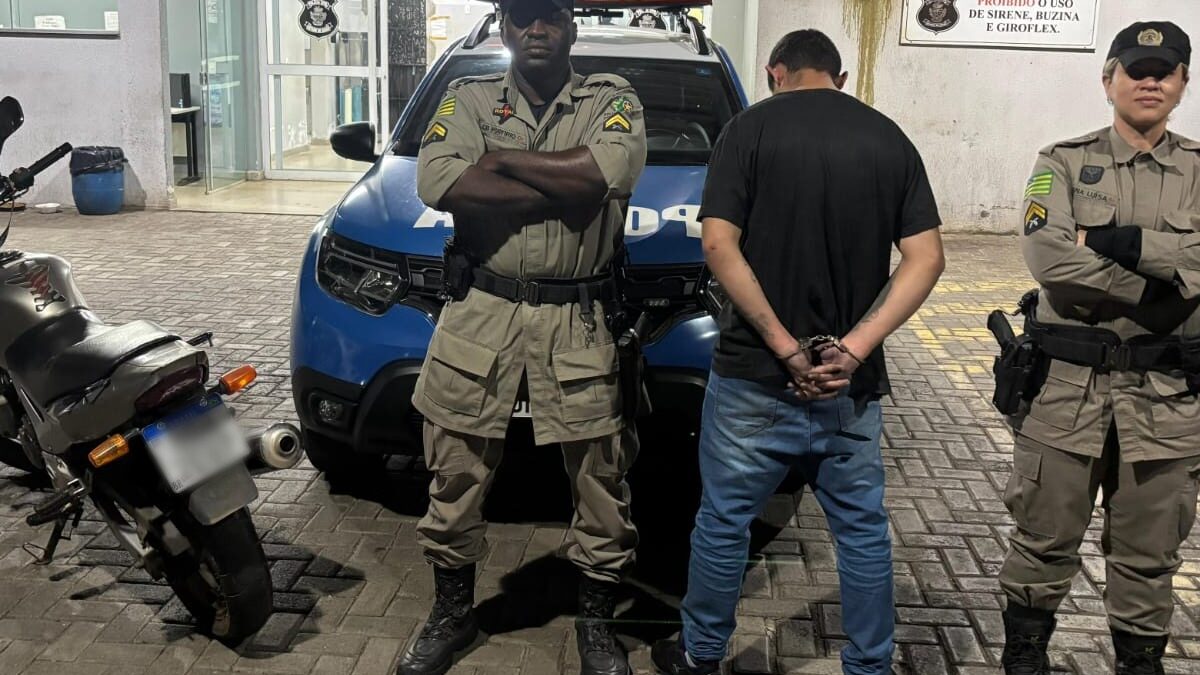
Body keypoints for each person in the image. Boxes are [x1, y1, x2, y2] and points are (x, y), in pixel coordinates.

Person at [651, 29, 945, 675]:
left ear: (774, 72)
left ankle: (701, 655)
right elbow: (926, 258)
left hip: (755, 376)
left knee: (724, 523)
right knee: (862, 532)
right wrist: (854, 349)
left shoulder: (746, 132)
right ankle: (869, 665)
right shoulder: (888, 138)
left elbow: (718, 246)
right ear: (839, 77)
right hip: (847, 386)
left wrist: (786, 348)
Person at [396, 0, 647, 674]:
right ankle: (452, 615)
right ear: (505, 28)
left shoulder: (611, 97)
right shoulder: (468, 95)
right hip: (483, 310)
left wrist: (500, 162)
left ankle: (596, 625)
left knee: (601, 481)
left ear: (572, 27)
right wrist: (568, 188)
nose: (537, 29)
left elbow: (607, 174)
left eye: (550, 16)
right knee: (454, 473)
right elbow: (438, 180)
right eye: (523, 17)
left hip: (579, 315)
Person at [998, 21, 1198, 675]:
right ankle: (1025, 653)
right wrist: (1163, 287)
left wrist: (1113, 242)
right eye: (1136, 70)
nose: (1150, 81)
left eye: (1164, 72)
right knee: (1042, 540)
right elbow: (1049, 257)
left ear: (1183, 83)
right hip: (1065, 392)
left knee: (1149, 554)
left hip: (1168, 400)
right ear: (1108, 79)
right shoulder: (1060, 161)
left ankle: (1139, 661)